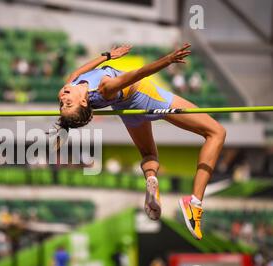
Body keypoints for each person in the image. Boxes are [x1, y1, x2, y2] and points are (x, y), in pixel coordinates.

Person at [55, 43, 226, 240]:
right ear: (84, 102)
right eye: (68, 103)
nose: (62, 98)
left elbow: (77, 72)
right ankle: (194, 203)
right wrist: (168, 60)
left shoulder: (69, 87)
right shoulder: (104, 88)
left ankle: (151, 179)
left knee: (148, 155)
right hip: (146, 98)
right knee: (217, 132)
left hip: (128, 112)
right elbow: (139, 74)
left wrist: (108, 55)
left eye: (62, 104)